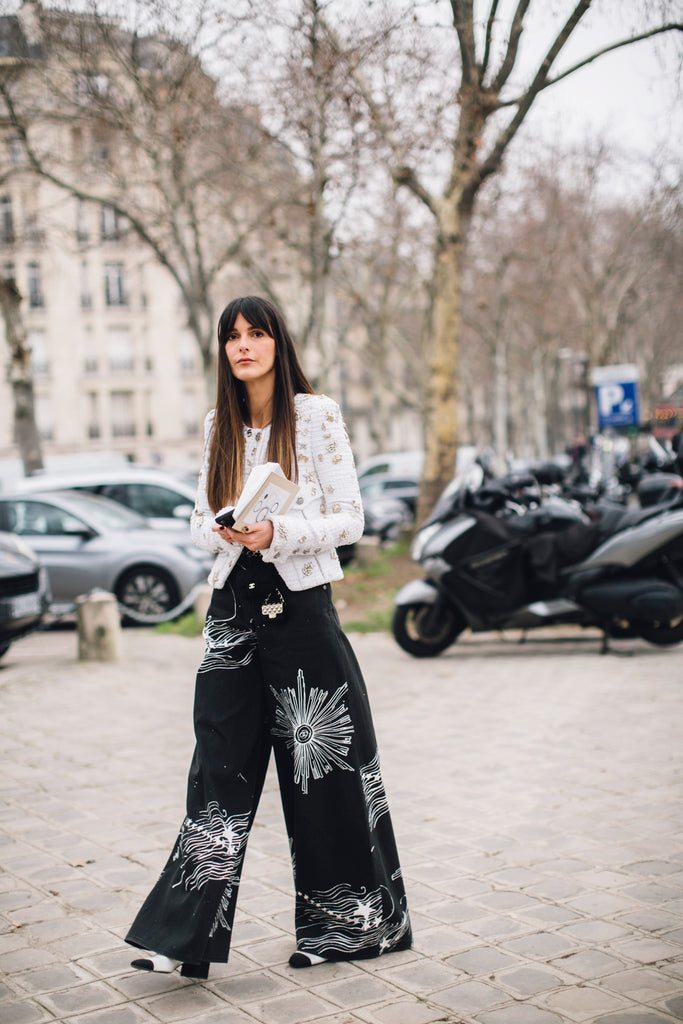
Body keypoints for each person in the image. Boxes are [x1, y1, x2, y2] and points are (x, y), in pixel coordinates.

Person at [125, 295, 411, 978]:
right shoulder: (216, 425)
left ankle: (347, 929)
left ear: (278, 342)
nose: (243, 345)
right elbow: (196, 520)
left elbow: (349, 518)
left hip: (301, 607)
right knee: (216, 768)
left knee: (322, 771)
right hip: (232, 610)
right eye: (232, 336)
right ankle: (182, 938)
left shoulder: (314, 416)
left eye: (256, 333)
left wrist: (278, 532)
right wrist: (223, 528)